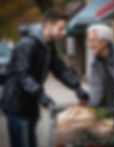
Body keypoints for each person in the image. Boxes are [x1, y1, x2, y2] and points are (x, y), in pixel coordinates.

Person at [2, 10, 88, 147]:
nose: (64, 32)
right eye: (60, 28)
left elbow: (59, 69)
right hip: (17, 105)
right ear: (48, 25)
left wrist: (76, 87)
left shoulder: (49, 45)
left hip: (30, 105)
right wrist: (41, 94)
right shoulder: (27, 44)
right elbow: (23, 75)